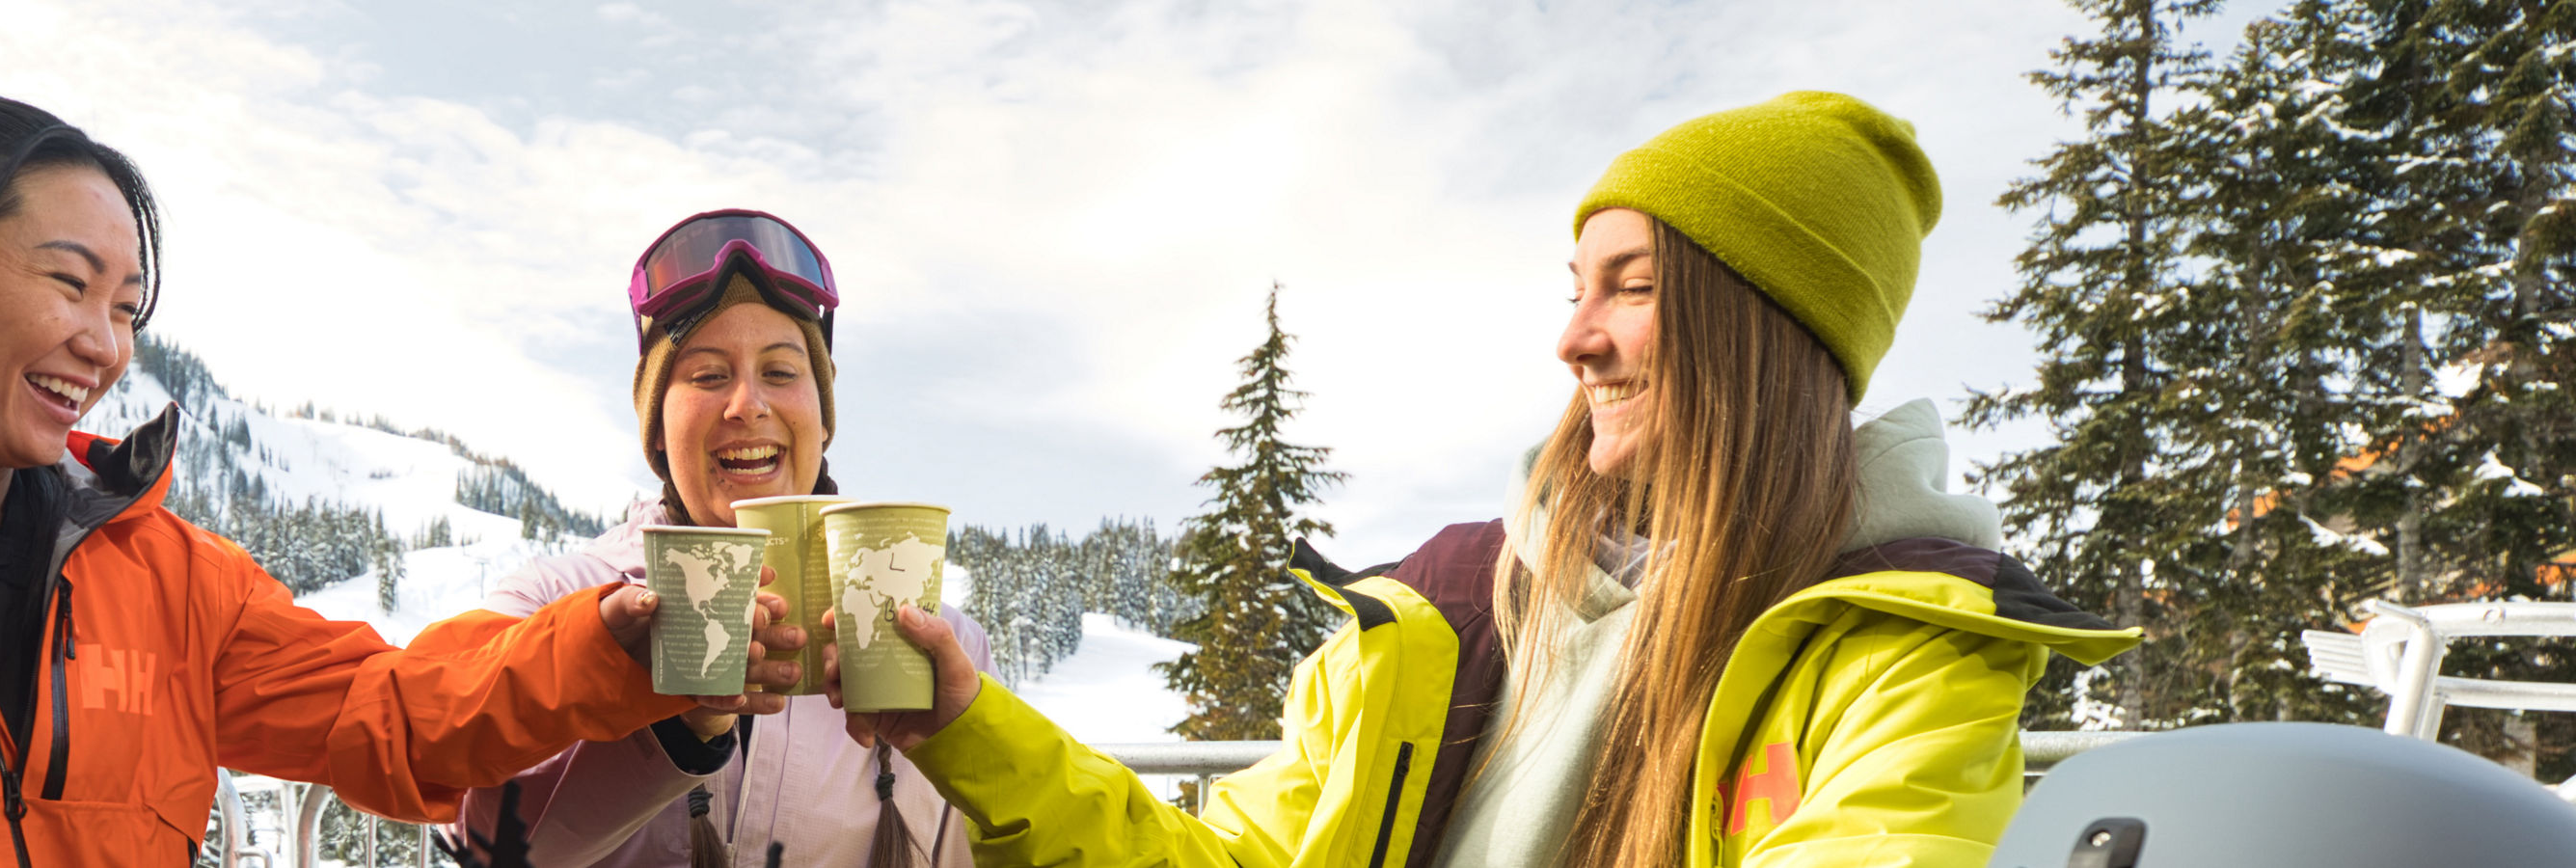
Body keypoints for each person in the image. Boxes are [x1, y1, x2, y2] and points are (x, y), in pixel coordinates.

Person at [830, 92, 2146, 868]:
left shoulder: (1897, 662)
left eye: (1633, 290)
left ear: (1765, 337)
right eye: (1576, 290)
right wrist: (963, 720)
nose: (1575, 340)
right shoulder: (1451, 617)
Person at [0, 95, 800, 867]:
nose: (105, 342)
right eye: (68, 283)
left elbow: (394, 717)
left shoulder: (162, 578)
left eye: (127, 305)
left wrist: (612, 652)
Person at [436, 209, 997, 868]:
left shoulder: (939, 641)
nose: (747, 405)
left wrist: (964, 739)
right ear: (656, 428)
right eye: (707, 375)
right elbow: (480, 848)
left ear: (822, 416)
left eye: (782, 372)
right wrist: (673, 726)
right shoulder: (553, 602)